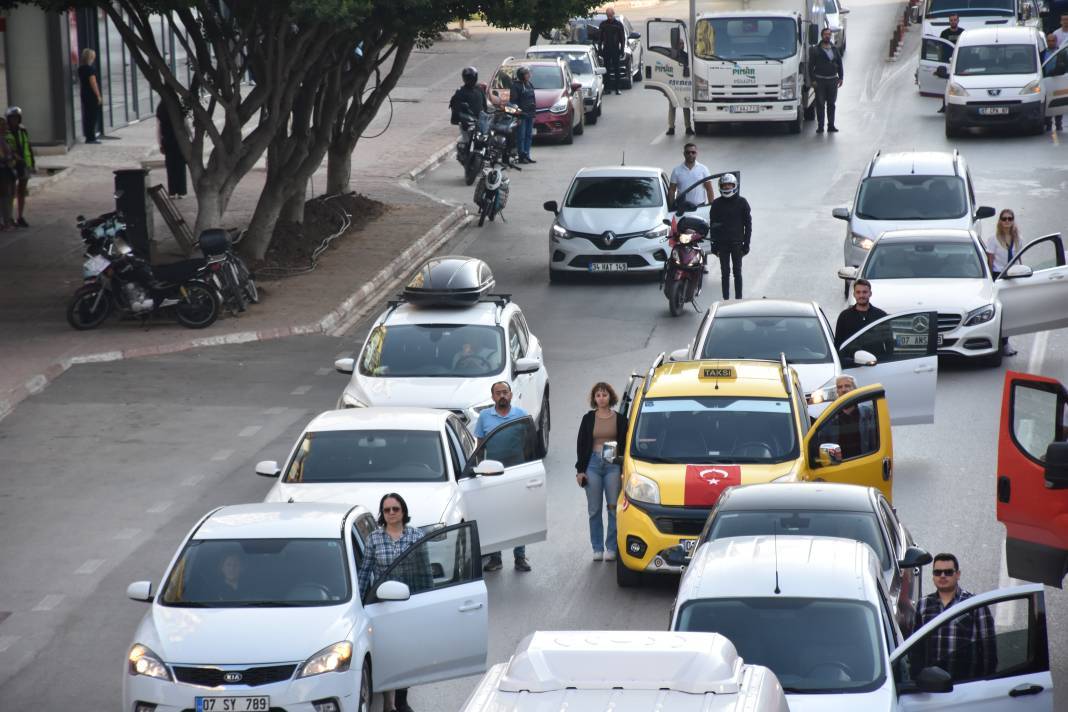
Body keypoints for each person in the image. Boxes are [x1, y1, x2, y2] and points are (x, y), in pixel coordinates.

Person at [358, 493, 432, 712]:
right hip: (384, 605)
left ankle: (401, 699)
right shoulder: (374, 539)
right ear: (382, 513)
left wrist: (429, 600)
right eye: (386, 510)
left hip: (409, 603)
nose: (391, 513)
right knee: (388, 653)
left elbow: (425, 570)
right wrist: (360, 604)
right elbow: (365, 572)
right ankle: (389, 704)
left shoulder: (416, 536)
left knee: (406, 653)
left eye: (395, 509)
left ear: (403, 511)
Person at [474, 381, 533, 572]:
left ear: (511, 394)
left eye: (505, 392)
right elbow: (480, 446)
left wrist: (527, 467)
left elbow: (529, 443)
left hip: (517, 472)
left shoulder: (521, 416)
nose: (502, 396)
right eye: (498, 393)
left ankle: (520, 557)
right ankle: (495, 558)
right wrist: (477, 471)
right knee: (495, 515)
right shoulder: (484, 417)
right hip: (492, 473)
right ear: (492, 397)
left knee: (518, 514)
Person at [913, 553, 997, 681]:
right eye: (937, 572)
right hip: (931, 686)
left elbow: (988, 650)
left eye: (948, 572)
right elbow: (916, 648)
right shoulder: (923, 604)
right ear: (933, 576)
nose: (942, 576)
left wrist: (983, 683)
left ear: (958, 575)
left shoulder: (975, 604)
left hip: (965, 686)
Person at [575, 382, 628, 561]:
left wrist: (623, 468)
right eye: (598, 395)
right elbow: (581, 444)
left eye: (604, 395)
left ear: (610, 397)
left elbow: (625, 444)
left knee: (613, 507)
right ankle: (597, 548)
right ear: (594, 399)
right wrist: (580, 470)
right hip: (593, 464)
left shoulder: (620, 419)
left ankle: (611, 548)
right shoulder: (588, 418)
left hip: (612, 463)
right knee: (594, 509)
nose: (601, 398)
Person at [707, 173, 751, 300]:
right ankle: (725, 300)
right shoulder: (716, 204)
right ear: (720, 187)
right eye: (724, 185)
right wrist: (713, 245)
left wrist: (746, 245)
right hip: (722, 244)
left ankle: (739, 300)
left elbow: (748, 225)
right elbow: (713, 225)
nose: (726, 187)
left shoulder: (742, 202)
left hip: (737, 243)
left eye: (729, 185)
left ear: (734, 186)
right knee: (724, 273)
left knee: (737, 272)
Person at [984, 209, 1022, 356]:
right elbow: (990, 260)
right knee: (999, 311)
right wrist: (989, 281)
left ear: (1013, 220)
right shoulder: (993, 239)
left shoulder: (1019, 238)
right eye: (1004, 219)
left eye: (1010, 218)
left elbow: (1019, 258)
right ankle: (998, 343)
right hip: (998, 276)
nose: (1007, 221)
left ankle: (1005, 343)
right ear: (1000, 221)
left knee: (1010, 311)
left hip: (1012, 276)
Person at [817, 375, 877, 459]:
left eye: (847, 386)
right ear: (837, 391)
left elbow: (875, 442)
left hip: (864, 462)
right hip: (840, 466)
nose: (843, 389)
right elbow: (822, 445)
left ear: (855, 389)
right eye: (840, 387)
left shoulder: (867, 414)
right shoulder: (829, 417)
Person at [834, 278, 887, 347]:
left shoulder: (881, 316)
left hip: (876, 357)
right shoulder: (844, 316)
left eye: (864, 292)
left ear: (870, 294)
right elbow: (838, 343)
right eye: (858, 292)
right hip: (850, 357)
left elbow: (888, 342)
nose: (861, 295)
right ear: (854, 294)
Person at [809, 27, 844, 133]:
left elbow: (839, 63)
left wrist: (841, 77)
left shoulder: (834, 49)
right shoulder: (815, 50)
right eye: (825, 34)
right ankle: (820, 126)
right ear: (822, 35)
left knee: (831, 104)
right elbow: (810, 66)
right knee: (820, 104)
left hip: (832, 81)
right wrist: (813, 80)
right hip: (820, 81)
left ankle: (831, 125)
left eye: (829, 34)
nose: (827, 36)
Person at [5, 107, 34, 228]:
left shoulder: (23, 130)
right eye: (12, 118)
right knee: (10, 192)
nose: (14, 120)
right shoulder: (5, 132)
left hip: (24, 164)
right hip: (11, 165)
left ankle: (20, 216)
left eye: (17, 117)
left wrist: (31, 163)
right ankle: (8, 217)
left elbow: (28, 146)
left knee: (22, 191)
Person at [156, 100, 188, 199]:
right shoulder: (178, 107)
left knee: (171, 167)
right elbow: (186, 124)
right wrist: (190, 138)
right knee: (180, 167)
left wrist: (160, 143)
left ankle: (172, 191)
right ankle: (181, 191)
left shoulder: (160, 108)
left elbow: (159, 128)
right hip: (180, 141)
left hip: (168, 141)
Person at [668, 143, 715, 210]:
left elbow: (709, 189)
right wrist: (671, 207)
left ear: (696, 153)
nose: (690, 154)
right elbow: (672, 190)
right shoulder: (676, 170)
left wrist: (711, 206)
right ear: (684, 154)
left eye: (693, 152)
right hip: (682, 208)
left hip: (699, 207)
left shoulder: (703, 169)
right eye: (688, 152)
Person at [666, 35, 694, 135]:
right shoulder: (670, 56)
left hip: (683, 85)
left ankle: (688, 127)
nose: (682, 46)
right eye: (680, 44)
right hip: (674, 85)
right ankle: (671, 127)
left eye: (682, 44)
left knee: (686, 106)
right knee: (672, 106)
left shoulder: (686, 56)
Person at [509, 66, 537, 164]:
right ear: (522, 76)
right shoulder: (516, 86)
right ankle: (521, 155)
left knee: (529, 136)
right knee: (521, 136)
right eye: (526, 74)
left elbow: (533, 100)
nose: (529, 75)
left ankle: (527, 155)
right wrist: (518, 115)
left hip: (529, 114)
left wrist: (534, 114)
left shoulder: (529, 84)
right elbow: (513, 102)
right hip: (521, 115)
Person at [937, 15, 964, 113]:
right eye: (951, 20)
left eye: (955, 20)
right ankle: (944, 106)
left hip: (959, 63)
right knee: (946, 85)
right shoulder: (944, 33)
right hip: (946, 62)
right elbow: (939, 48)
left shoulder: (963, 33)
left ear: (958, 21)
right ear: (949, 21)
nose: (953, 22)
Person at [598, 7, 627, 94]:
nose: (609, 17)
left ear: (613, 14)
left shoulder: (618, 24)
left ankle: (617, 88)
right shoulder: (603, 24)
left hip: (615, 50)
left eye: (610, 15)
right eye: (608, 15)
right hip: (606, 49)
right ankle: (607, 88)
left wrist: (622, 50)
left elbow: (622, 39)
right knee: (606, 69)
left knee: (616, 69)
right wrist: (599, 49)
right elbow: (600, 38)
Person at [78, 48, 103, 144]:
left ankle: (88, 136)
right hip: (91, 95)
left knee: (87, 115)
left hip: (84, 93)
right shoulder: (90, 69)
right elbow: (93, 83)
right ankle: (91, 138)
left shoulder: (81, 68)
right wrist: (98, 95)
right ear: (91, 57)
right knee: (92, 116)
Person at [1042, 35, 1064, 131]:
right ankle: (1048, 124)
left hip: (1058, 79)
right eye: (1049, 40)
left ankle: (1059, 123)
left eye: (1053, 40)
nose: (1051, 42)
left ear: (1056, 41)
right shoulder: (1042, 53)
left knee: (1058, 101)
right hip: (1046, 80)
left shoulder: (1061, 53)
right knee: (1047, 102)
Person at [0, 116, 15, 231]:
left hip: (7, 170)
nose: (6, 127)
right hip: (3, 171)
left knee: (7, 196)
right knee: (5, 196)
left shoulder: (4, 139)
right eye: (3, 125)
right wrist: (8, 160)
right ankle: (6, 222)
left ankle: (6, 221)